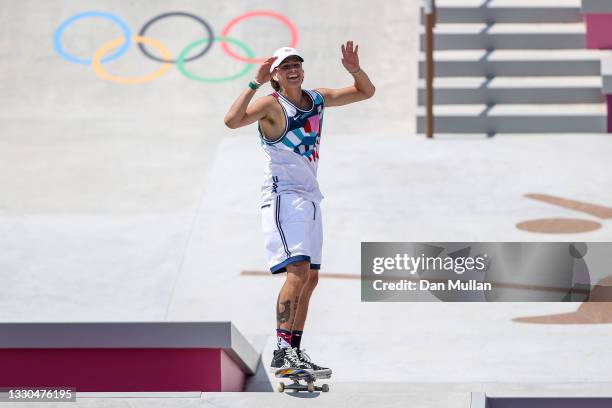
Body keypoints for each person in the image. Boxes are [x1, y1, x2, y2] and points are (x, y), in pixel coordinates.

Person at [224, 41, 375, 378]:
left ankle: (293, 351)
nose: (292, 69)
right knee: (298, 272)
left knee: (311, 277)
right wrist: (254, 82)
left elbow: (365, 91)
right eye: (285, 66)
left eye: (296, 64)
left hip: (310, 196)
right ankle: (281, 351)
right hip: (283, 195)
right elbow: (232, 121)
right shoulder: (271, 104)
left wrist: (354, 70)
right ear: (275, 75)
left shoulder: (316, 99)